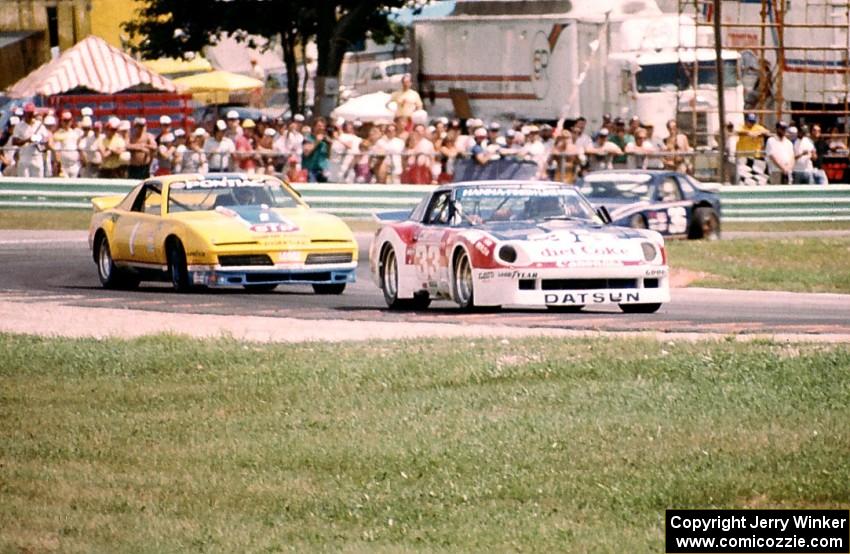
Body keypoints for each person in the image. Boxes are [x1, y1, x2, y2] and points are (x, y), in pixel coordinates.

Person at [12, 103, 47, 177]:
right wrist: (27, 140)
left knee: (39, 181)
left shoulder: (39, 125)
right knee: (24, 181)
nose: (29, 115)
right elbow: (14, 141)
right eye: (28, 113)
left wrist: (38, 139)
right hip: (25, 156)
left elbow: (45, 139)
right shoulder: (19, 126)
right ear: (24, 113)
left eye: (31, 113)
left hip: (37, 156)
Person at [52, 111, 83, 178]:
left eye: (69, 120)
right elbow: (57, 151)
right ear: (62, 121)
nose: (67, 122)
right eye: (65, 120)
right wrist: (57, 164)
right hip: (63, 166)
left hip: (75, 164)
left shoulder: (75, 133)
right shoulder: (57, 134)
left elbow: (79, 147)